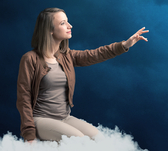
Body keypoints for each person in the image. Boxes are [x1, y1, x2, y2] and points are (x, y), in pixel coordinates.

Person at [16, 8, 148, 143]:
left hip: (64, 118)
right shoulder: (30, 59)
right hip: (41, 120)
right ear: (49, 30)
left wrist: (125, 44)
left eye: (68, 22)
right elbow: (23, 98)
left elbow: (96, 54)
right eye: (63, 23)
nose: (70, 26)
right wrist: (29, 135)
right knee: (80, 141)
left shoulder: (67, 56)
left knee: (99, 139)